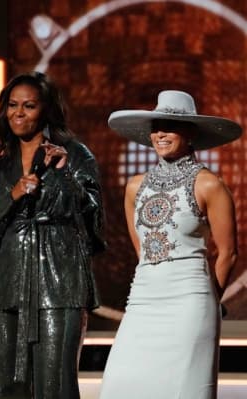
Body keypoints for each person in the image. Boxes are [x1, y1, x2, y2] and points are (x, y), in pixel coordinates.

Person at [0, 72, 106, 399]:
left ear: (45, 110)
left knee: (55, 384)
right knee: (5, 385)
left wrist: (65, 175)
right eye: (12, 105)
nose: (18, 113)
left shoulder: (74, 154)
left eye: (28, 105)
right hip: (6, 285)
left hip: (59, 281)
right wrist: (11, 197)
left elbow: (95, 217)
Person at [99, 90, 241, 398]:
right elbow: (143, 251)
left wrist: (206, 300)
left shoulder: (209, 185)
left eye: (170, 125)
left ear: (191, 132)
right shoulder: (135, 186)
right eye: (156, 126)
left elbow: (228, 253)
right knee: (119, 386)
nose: (161, 133)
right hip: (143, 299)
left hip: (191, 301)